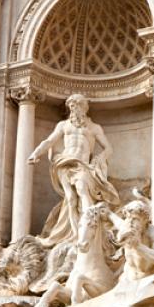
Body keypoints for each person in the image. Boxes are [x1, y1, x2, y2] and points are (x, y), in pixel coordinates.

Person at [29, 94, 119, 244]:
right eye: (71, 107)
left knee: (82, 189)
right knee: (70, 198)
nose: (73, 110)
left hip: (82, 165)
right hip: (64, 162)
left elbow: (108, 148)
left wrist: (100, 158)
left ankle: (90, 225)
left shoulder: (94, 128)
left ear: (84, 107)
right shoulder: (63, 125)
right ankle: (76, 234)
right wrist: (36, 152)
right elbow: (50, 140)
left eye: (75, 106)